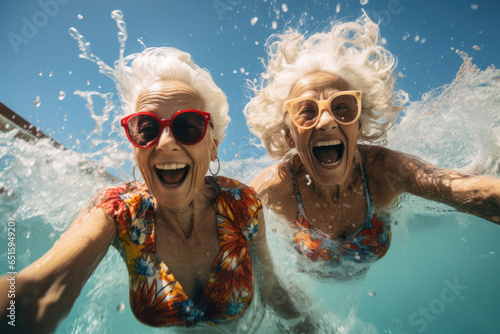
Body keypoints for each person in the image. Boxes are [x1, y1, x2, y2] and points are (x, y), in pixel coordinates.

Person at [0, 47, 308, 333]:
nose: (164, 143)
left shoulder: (242, 205)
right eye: (146, 129)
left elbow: (271, 288)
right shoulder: (119, 211)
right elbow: (43, 288)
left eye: (188, 127)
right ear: (134, 147)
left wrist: (310, 327)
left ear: (213, 146)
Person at [244, 12, 500, 280]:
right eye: (307, 111)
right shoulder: (274, 190)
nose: (327, 121)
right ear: (289, 136)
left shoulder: (384, 171)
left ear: (360, 126)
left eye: (342, 107)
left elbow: (472, 192)